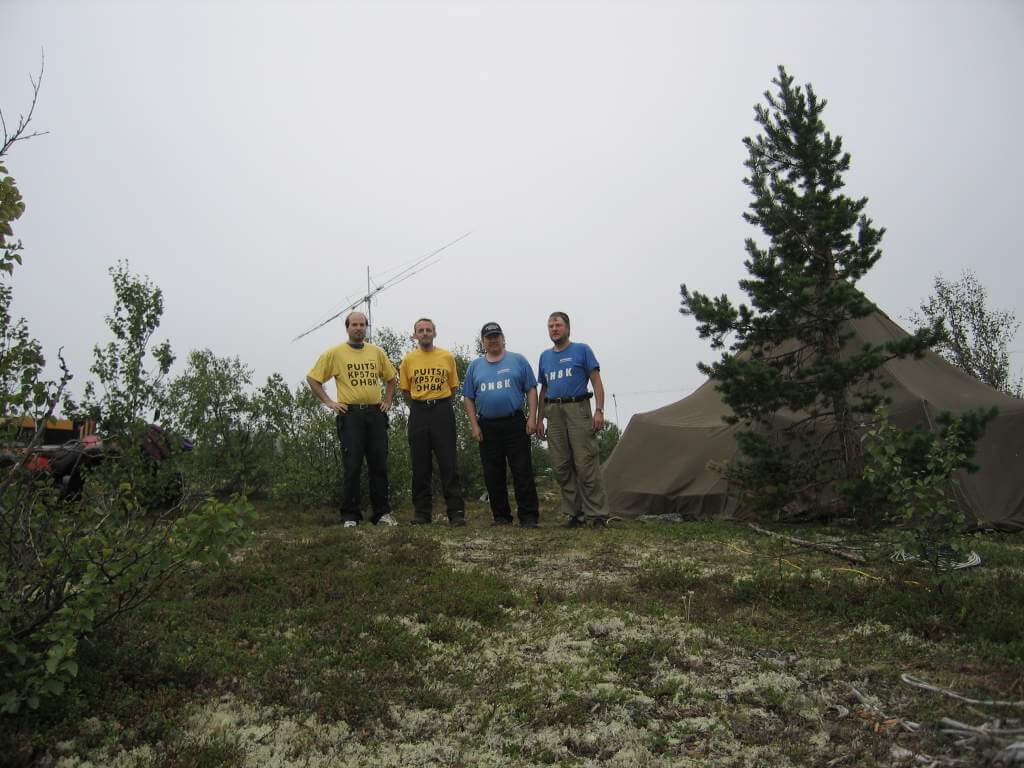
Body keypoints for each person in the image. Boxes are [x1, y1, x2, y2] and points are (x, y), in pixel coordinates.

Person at [306, 311, 398, 527]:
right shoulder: (335, 353)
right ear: (347, 328)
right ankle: (350, 515)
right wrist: (329, 402)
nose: (358, 328)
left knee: (378, 465)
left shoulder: (376, 352)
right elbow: (313, 378)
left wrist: (387, 400)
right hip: (351, 415)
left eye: (362, 324)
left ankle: (382, 514)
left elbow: (391, 378)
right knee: (352, 465)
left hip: (375, 414)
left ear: (366, 327)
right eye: (354, 325)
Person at [462, 322, 540, 528]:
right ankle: (501, 517)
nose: (493, 340)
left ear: (503, 338)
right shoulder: (474, 367)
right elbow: (468, 397)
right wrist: (474, 425)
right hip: (487, 425)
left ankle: (529, 516)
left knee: (522, 469)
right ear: (483, 342)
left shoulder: (518, 360)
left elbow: (531, 389)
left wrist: (532, 417)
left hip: (515, 422)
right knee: (493, 472)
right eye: (489, 337)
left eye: (496, 336)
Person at [536, 311, 610, 528]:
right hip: (554, 411)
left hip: (578, 408)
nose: (554, 329)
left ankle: (597, 515)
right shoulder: (544, 357)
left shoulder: (582, 350)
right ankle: (575, 514)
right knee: (561, 465)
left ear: (567, 328)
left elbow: (596, 381)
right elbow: (543, 390)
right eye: (550, 326)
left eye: (558, 325)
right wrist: (540, 419)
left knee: (585, 463)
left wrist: (599, 410)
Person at [399, 318, 465, 527]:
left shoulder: (446, 357)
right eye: (421, 330)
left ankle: (456, 512)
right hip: (418, 411)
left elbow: (453, 387)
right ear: (415, 335)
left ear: (435, 333)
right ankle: (422, 513)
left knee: (448, 463)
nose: (425, 333)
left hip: (442, 411)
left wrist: (437, 402)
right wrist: (420, 405)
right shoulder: (408, 360)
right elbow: (405, 391)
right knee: (420, 465)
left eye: (428, 330)